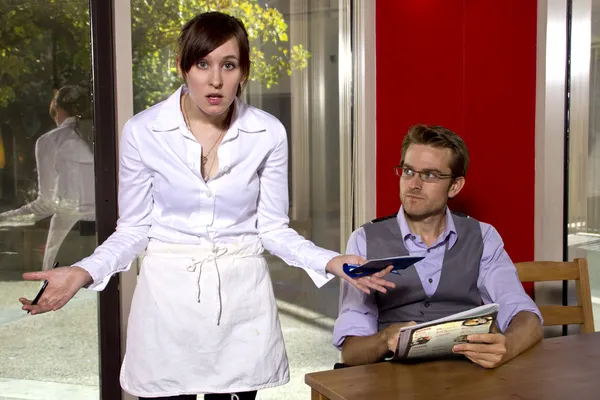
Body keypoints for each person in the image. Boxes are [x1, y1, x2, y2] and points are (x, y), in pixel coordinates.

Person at [18, 12, 394, 400]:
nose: (215, 80)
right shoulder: (143, 131)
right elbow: (132, 230)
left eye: (228, 65)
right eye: (202, 64)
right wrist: (82, 271)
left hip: (241, 306)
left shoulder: (268, 133)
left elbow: (272, 229)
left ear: (243, 71)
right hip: (167, 305)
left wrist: (331, 261)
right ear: (183, 68)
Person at [333, 124, 543, 369]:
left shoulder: (483, 237)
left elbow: (526, 317)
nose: (413, 184)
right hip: (391, 382)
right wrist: (384, 338)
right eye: (408, 171)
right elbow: (351, 353)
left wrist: (507, 346)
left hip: (467, 379)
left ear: (455, 186)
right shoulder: (365, 239)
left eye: (430, 175)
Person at [0, 85, 95, 270]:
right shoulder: (108, 138)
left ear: (57, 110)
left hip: (68, 237)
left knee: (55, 296)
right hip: (110, 236)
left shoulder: (51, 141)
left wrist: (5, 218)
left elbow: (47, 204)